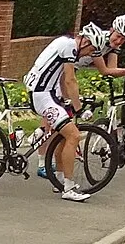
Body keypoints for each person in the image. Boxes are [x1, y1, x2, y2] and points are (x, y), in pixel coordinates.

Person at [25, 23, 112, 202]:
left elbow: (64, 81)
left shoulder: (65, 43)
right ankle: (68, 187)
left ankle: (58, 178)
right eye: (91, 50)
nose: (89, 54)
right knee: (73, 135)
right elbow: (71, 80)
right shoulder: (69, 47)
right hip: (43, 96)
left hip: (47, 93)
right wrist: (79, 108)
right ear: (86, 41)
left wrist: (69, 103)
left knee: (63, 135)